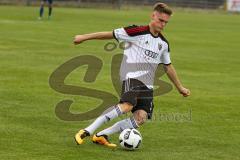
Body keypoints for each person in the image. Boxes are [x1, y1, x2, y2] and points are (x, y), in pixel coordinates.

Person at [73, 2, 190, 148]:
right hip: (131, 77)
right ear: (153, 15)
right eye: (161, 20)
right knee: (127, 105)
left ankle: (102, 135)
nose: (163, 25)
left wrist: (180, 87)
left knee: (141, 118)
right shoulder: (136, 31)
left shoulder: (163, 44)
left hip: (147, 84)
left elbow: (168, 66)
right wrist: (83, 37)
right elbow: (109, 34)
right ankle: (86, 130)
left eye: (166, 22)